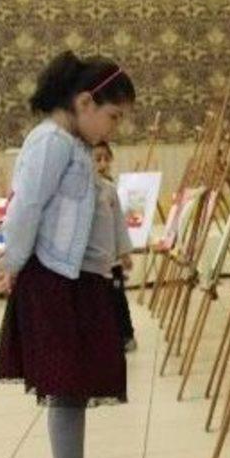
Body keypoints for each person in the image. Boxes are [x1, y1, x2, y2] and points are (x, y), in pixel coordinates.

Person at [0, 50, 139, 458]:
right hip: (55, 283)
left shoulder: (71, 143)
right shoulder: (50, 142)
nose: (113, 128)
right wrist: (10, 262)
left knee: (75, 387)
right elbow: (25, 208)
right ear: (84, 102)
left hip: (76, 281)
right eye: (113, 116)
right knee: (68, 390)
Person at [91, 141, 137, 352]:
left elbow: (119, 223)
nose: (102, 164)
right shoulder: (82, 191)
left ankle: (126, 335)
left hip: (113, 259)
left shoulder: (110, 190)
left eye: (106, 159)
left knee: (117, 298)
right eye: (97, 159)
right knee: (98, 302)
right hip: (93, 260)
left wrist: (124, 253)